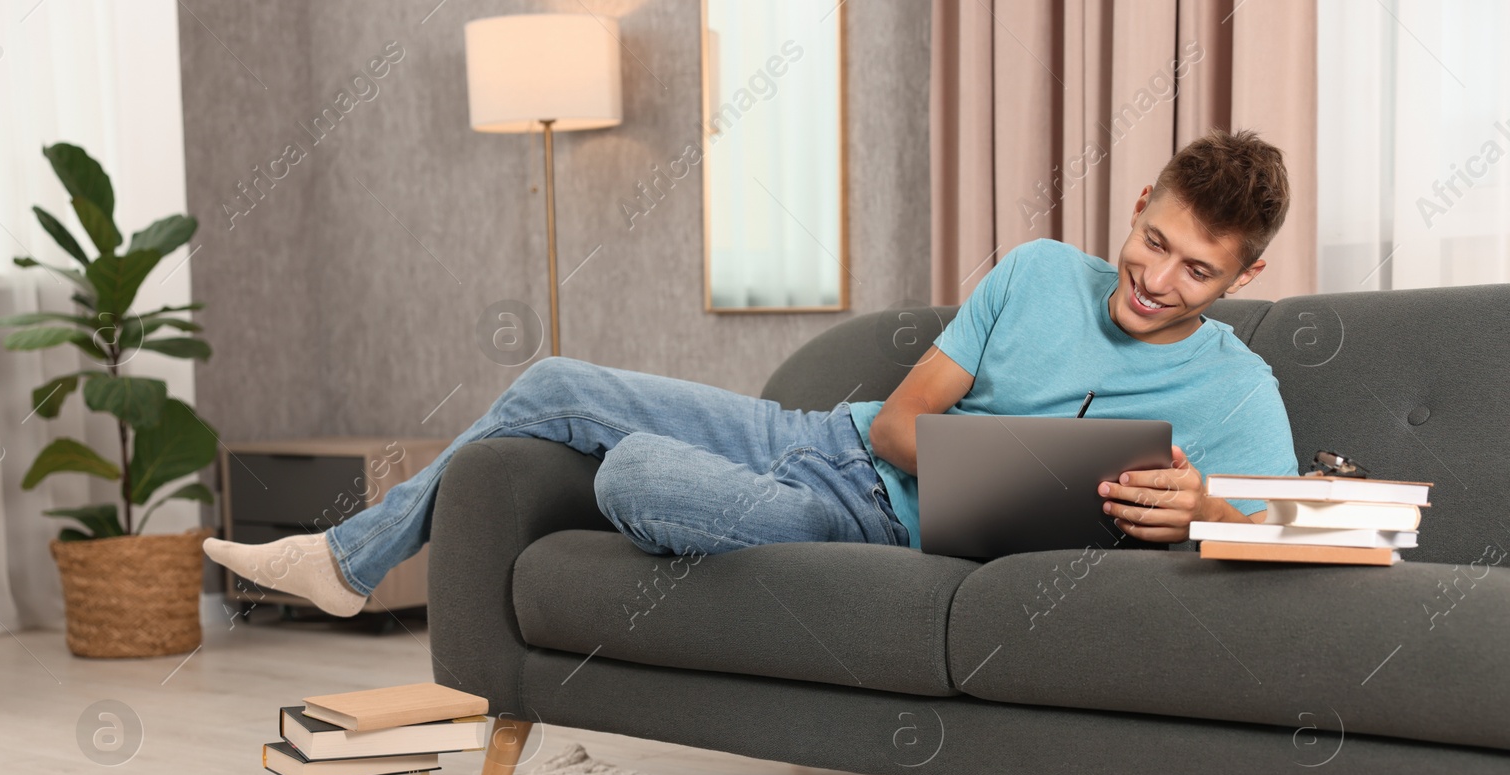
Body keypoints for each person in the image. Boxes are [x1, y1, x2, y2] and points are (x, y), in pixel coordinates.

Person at [203, 128, 1298, 617]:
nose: (1155, 278)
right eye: (1151, 240)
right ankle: (349, 565)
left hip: (879, 535)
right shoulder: (1039, 272)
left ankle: (702, 499)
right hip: (828, 445)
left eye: (1197, 270)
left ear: (1243, 276)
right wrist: (1028, 464)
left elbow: (1312, 522)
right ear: (1140, 203)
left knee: (634, 476)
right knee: (550, 383)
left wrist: (1205, 505)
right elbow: (898, 424)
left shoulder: (1238, 391)